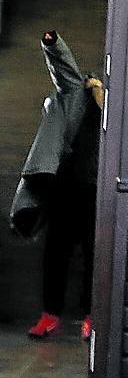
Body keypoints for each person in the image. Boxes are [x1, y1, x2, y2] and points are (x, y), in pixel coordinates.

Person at [9, 31, 102, 340]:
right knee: (56, 255)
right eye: (94, 85)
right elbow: (64, 69)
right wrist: (53, 43)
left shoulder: (116, 113)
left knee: (94, 256)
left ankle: (91, 317)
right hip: (66, 189)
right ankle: (50, 316)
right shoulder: (76, 98)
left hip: (96, 192)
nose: (96, 89)